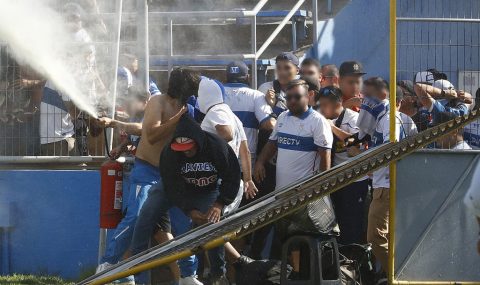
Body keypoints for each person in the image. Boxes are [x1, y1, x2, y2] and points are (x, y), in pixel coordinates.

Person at [98, 68, 202, 285]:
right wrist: (177, 120)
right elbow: (152, 134)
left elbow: (150, 131)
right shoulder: (158, 102)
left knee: (186, 222)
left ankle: (188, 276)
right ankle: (108, 264)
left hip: (171, 175)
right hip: (146, 172)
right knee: (136, 216)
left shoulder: (189, 108)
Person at [254, 79, 337, 274]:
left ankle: (310, 276)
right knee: (289, 240)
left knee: (307, 239)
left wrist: (320, 189)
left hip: (307, 196)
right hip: (282, 194)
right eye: (289, 97)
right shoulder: (282, 117)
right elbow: (272, 144)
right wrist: (259, 162)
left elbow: (325, 158)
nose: (292, 101)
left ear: (309, 96)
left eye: (296, 97)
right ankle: (299, 275)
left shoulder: (317, 122)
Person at [362, 78, 417, 274]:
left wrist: (373, 164)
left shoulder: (389, 118)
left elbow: (390, 147)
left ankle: (396, 274)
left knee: (375, 237)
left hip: (385, 185)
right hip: (396, 184)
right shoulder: (406, 119)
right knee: (392, 236)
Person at [317, 86, 369, 244]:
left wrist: (332, 128)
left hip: (355, 180)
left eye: (325, 104)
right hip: (336, 179)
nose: (322, 108)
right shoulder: (323, 118)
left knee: (351, 224)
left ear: (337, 103)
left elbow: (357, 141)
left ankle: (352, 259)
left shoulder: (353, 118)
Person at [223, 61, 276, 163]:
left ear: (226, 77)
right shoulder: (256, 95)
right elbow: (270, 124)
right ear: (248, 77)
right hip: (245, 157)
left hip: (221, 154)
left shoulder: (217, 93)